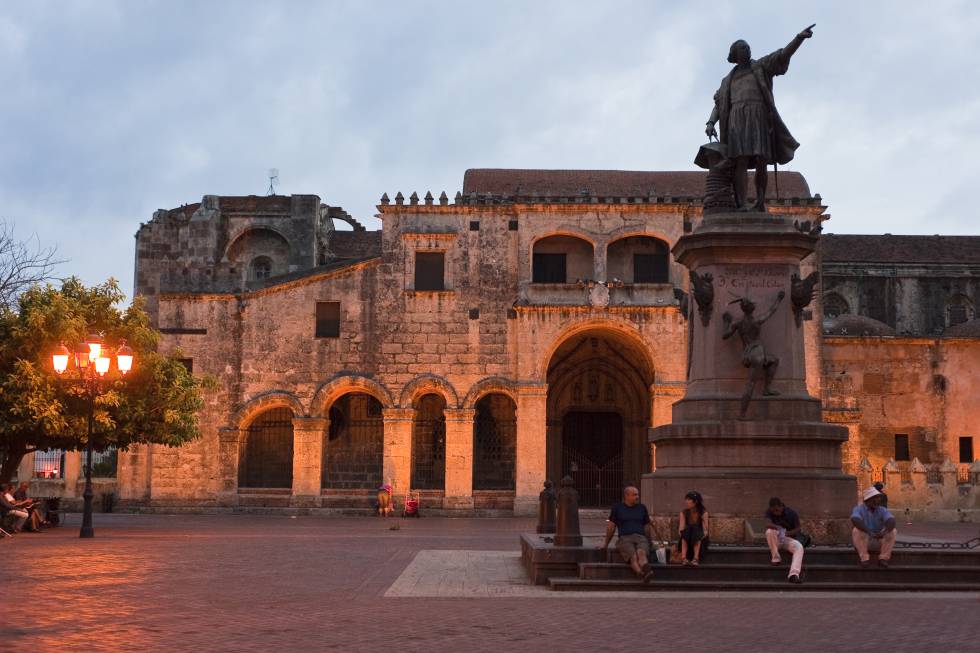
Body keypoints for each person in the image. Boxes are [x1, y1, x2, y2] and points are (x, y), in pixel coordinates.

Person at [705, 25, 814, 212]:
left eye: (748, 47)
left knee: (762, 159)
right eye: (742, 48)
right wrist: (710, 122)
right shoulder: (727, 81)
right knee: (740, 161)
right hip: (736, 121)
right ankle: (741, 204)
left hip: (758, 116)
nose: (747, 49)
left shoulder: (761, 67)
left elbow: (781, 55)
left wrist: (798, 39)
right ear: (734, 54)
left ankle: (760, 201)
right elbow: (720, 104)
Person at [722, 291, 786, 419]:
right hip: (757, 353)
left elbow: (725, 335)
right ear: (752, 309)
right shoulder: (758, 320)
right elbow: (771, 311)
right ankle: (742, 414)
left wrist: (726, 321)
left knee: (774, 360)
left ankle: (767, 389)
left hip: (747, 353)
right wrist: (779, 299)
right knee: (751, 383)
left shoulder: (737, 323)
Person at [599, 486, 655, 582]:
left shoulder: (642, 508)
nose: (637, 497)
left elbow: (646, 526)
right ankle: (641, 574)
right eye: (634, 495)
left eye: (638, 494)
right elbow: (611, 527)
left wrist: (649, 541)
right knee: (632, 556)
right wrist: (605, 544)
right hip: (625, 538)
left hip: (640, 537)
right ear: (626, 496)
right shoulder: (617, 508)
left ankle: (647, 570)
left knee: (641, 553)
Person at [851, 486, 897, 568]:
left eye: (878, 498)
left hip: (879, 540)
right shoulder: (858, 509)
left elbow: (891, 521)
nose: (877, 501)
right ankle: (864, 559)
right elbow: (855, 519)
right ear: (867, 500)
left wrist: (884, 532)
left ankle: (883, 558)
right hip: (864, 541)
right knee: (856, 531)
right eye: (874, 498)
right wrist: (869, 532)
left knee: (892, 531)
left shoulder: (882, 510)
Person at [764, 497, 804, 584]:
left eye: (777, 510)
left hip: (787, 538)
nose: (776, 513)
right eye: (773, 511)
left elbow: (798, 529)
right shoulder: (769, 512)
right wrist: (778, 528)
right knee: (769, 532)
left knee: (799, 547)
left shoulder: (791, 513)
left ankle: (794, 575)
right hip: (775, 539)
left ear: (782, 506)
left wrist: (786, 533)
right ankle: (776, 558)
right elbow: (767, 523)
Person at [678, 491, 709, 566]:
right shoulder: (684, 513)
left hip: (699, 538)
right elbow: (681, 529)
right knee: (687, 531)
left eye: (689, 500)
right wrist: (685, 535)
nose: (686, 502)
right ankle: (683, 558)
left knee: (696, 531)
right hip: (687, 537)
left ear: (695, 502)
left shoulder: (703, 513)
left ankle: (695, 559)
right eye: (686, 499)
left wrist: (698, 536)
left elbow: (705, 531)